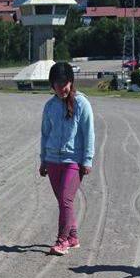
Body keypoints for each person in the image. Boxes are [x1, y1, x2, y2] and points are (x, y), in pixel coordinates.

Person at [39, 61, 95, 256]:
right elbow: (45, 134)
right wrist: (43, 160)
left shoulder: (82, 103)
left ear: (71, 82)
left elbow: (89, 134)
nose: (61, 88)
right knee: (64, 202)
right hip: (53, 161)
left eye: (65, 83)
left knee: (65, 200)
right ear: (51, 85)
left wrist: (87, 160)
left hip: (74, 161)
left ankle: (62, 240)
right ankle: (73, 237)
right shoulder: (50, 106)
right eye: (57, 84)